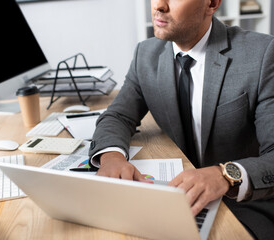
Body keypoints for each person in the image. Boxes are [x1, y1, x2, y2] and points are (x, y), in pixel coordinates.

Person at [88, 0, 274, 239]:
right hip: (174, 199)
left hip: (241, 205)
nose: (159, 6)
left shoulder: (262, 55)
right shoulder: (145, 54)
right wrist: (111, 157)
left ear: (212, 4)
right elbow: (118, 115)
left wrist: (226, 175)